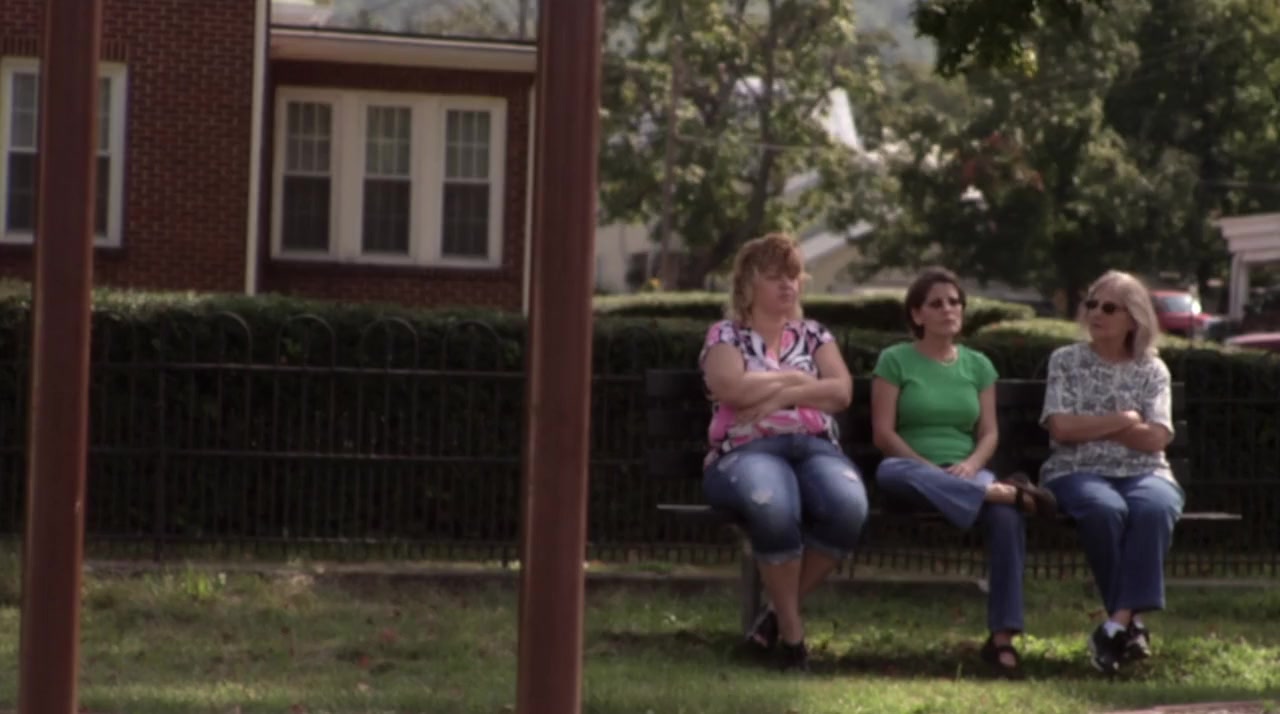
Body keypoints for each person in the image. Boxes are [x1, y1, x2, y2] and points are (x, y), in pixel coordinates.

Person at [870, 267, 1057, 678]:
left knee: (1006, 517)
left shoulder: (978, 365)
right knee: (889, 471)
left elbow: (989, 434)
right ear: (917, 314)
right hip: (911, 470)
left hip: (967, 471)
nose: (948, 309)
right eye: (936, 303)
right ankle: (1004, 492)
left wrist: (971, 466)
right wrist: (928, 470)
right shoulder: (894, 360)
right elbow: (883, 434)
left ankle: (1002, 639)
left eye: (955, 302)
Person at [699, 233, 869, 672]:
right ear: (748, 283)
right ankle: (793, 637)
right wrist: (799, 380)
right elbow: (731, 388)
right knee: (773, 504)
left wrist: (779, 395)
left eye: (793, 276)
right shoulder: (726, 334)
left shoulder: (814, 334)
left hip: (815, 447)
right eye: (776, 276)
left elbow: (841, 392)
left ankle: (773, 617)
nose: (788, 285)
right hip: (746, 450)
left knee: (848, 507)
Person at [1040, 270, 1184, 674]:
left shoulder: (1152, 369)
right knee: (1104, 509)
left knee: (1155, 508)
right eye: (1091, 304)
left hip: (1145, 472)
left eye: (1108, 308)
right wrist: (1123, 419)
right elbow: (1061, 428)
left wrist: (1093, 425)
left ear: (1133, 319)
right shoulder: (1066, 361)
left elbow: (1157, 437)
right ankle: (1129, 627)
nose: (1095, 314)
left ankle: (1115, 625)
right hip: (1076, 470)